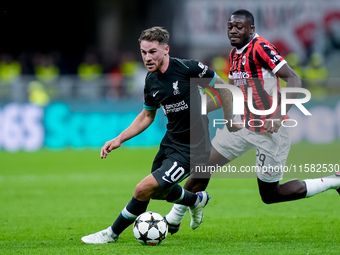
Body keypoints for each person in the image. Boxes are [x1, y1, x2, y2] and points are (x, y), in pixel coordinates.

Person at [165, 9, 340, 234]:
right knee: (203, 166)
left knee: (270, 195)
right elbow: (230, 94)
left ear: (251, 29)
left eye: (240, 27)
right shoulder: (234, 55)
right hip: (241, 124)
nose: (234, 31)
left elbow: (294, 79)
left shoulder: (261, 48)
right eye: (230, 27)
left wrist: (278, 115)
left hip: (270, 130)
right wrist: (199, 108)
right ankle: (174, 218)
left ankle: (334, 181)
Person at [81, 26, 233, 244]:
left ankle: (111, 234)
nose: (147, 57)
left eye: (152, 51)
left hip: (193, 147)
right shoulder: (151, 81)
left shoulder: (189, 69)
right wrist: (118, 139)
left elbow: (225, 92)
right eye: (143, 52)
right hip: (171, 142)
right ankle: (196, 200)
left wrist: (205, 111)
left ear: (166, 50)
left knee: (143, 189)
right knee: (159, 192)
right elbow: (146, 116)